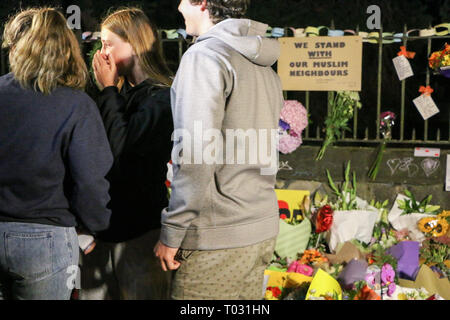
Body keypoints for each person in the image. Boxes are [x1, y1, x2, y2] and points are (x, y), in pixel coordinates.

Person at [154, 0, 283, 300]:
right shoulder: (262, 64)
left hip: (218, 235)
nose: (178, 6)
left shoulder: (204, 56)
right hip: (260, 228)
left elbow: (196, 153)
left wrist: (173, 230)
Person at [0, 8, 113, 300]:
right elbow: (90, 182)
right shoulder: (77, 105)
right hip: (45, 238)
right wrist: (97, 226)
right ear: (67, 51)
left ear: (18, 49)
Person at [80, 7, 174, 300]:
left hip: (139, 233)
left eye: (109, 44)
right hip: (102, 232)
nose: (102, 52)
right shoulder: (119, 92)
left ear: (133, 43)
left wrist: (108, 89)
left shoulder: (160, 97)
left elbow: (124, 150)